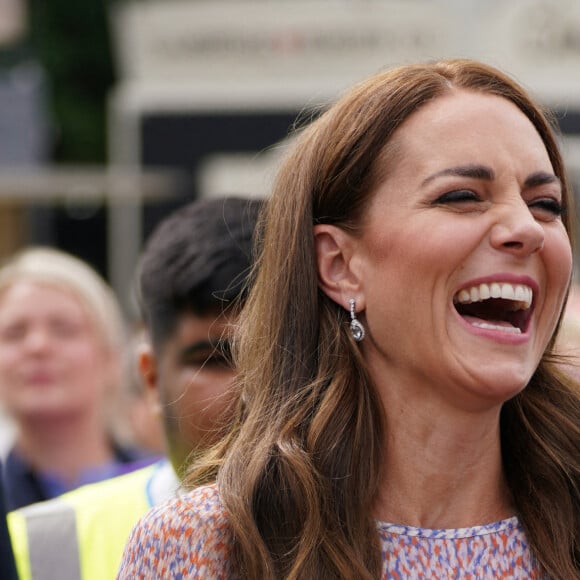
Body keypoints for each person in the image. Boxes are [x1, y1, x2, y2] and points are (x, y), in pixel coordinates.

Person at [118, 59, 580, 579]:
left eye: (546, 204)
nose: (527, 229)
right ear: (339, 266)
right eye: (462, 197)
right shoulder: (210, 545)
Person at [8, 196, 262, 579]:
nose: (251, 390)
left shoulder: (381, 530)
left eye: (284, 357)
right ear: (151, 377)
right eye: (214, 360)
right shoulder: (43, 542)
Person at [0, 247, 147, 511]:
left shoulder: (163, 490)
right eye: (14, 332)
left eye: (63, 329)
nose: (37, 346)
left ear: (111, 356)